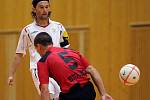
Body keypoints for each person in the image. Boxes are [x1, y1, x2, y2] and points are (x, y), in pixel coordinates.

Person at [8, 0, 70, 99]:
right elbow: (19, 54)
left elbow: (67, 49)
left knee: (61, 97)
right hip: (39, 68)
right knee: (47, 94)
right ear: (34, 9)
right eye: (41, 7)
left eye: (47, 7)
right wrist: (11, 74)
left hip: (58, 67)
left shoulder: (59, 27)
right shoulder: (27, 30)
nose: (45, 10)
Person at [34, 32, 113, 100]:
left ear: (38, 46)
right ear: (51, 43)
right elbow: (91, 69)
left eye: (36, 49)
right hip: (88, 90)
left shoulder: (43, 61)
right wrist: (103, 94)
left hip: (72, 95)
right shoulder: (72, 51)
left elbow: (44, 89)